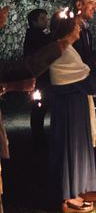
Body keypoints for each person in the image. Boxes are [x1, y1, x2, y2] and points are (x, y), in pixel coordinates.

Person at [1, 4, 67, 213]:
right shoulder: (36, 36)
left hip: (36, 78)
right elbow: (25, 64)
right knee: (38, 112)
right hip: (39, 80)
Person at [48, 9, 96, 213]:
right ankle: (68, 197)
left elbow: (85, 75)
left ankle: (78, 191)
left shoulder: (69, 50)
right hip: (69, 108)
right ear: (69, 30)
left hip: (74, 106)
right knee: (70, 149)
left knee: (77, 148)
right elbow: (89, 83)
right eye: (77, 29)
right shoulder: (63, 52)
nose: (79, 32)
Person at [23, 8, 50, 148]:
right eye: (42, 19)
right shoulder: (35, 36)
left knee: (40, 108)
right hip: (39, 78)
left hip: (40, 78)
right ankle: (38, 139)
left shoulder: (37, 35)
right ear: (34, 22)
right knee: (39, 108)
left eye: (46, 18)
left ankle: (38, 138)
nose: (46, 21)